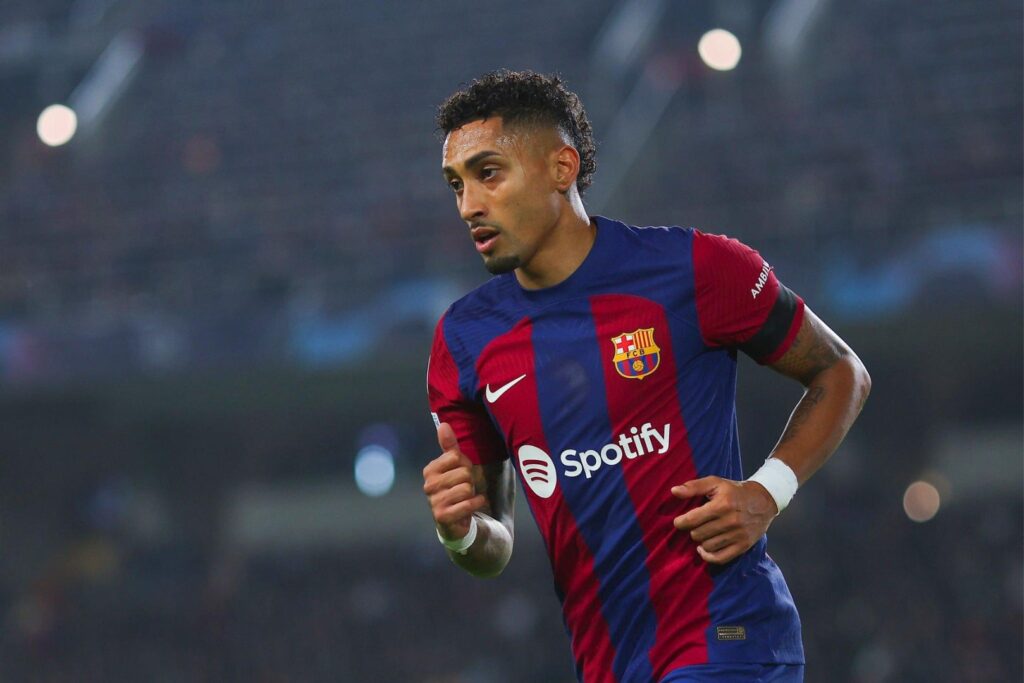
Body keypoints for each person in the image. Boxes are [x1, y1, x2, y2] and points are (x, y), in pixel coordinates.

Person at [422, 70, 870, 683]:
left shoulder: (695, 268)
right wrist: (458, 532)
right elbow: (492, 546)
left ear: (561, 167)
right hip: (610, 662)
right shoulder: (464, 342)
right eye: (456, 184)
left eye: (488, 173)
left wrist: (767, 491)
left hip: (728, 637)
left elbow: (841, 371)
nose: (469, 204)